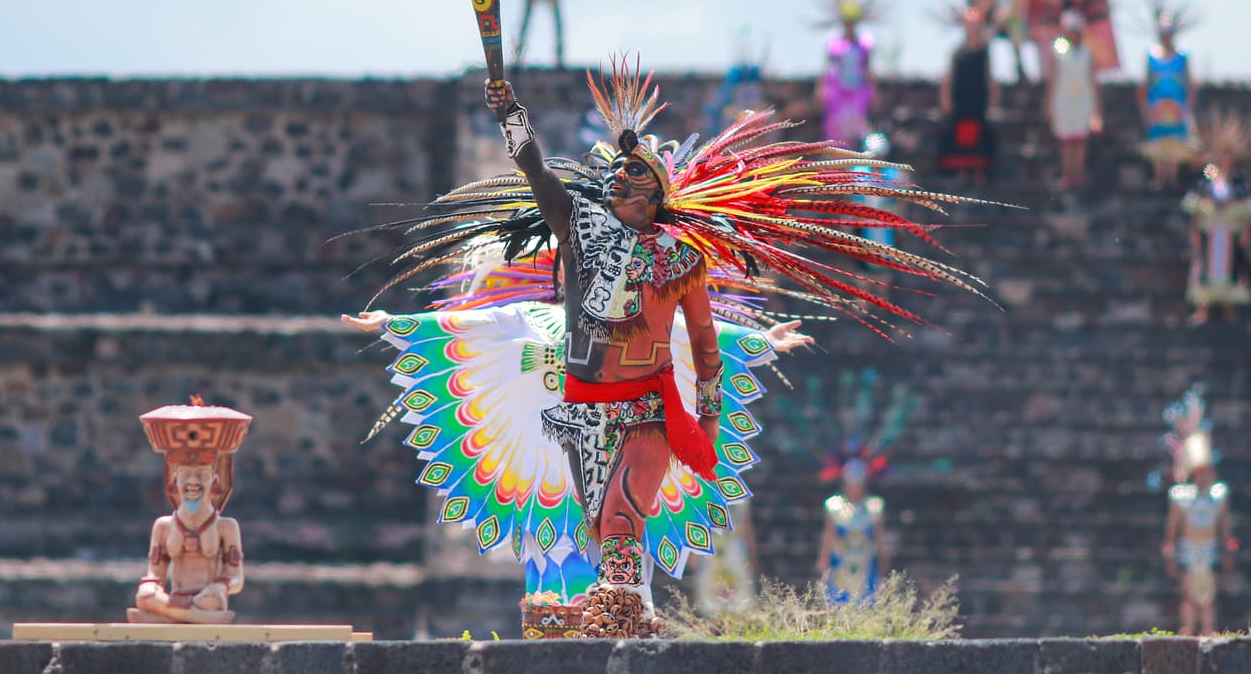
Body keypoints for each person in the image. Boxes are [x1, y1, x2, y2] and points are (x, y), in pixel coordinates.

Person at [363, 53, 989, 635]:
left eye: (632, 174)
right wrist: (511, 118)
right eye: (612, 173)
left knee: (620, 520)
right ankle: (598, 624)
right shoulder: (579, 234)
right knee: (590, 529)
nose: (616, 180)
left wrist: (716, 415)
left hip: (647, 407)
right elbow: (537, 174)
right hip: (581, 409)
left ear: (658, 193)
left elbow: (704, 345)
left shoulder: (680, 259)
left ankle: (617, 618)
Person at [342, 246, 812, 638]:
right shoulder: (527, 318)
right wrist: (391, 321)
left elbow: (694, 338)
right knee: (551, 588)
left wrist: (761, 339)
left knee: (619, 585)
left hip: (620, 463)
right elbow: (462, 327)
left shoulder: (639, 323)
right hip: (546, 468)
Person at [131, 398, 250, 624]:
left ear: (214, 481)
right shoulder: (164, 526)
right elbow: (154, 575)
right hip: (174, 598)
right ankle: (195, 617)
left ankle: (179, 615)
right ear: (174, 481)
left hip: (208, 598)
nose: (193, 483)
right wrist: (150, 585)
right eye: (185, 475)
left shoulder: (225, 526)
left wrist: (221, 586)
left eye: (202, 475)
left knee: (212, 600)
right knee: (144, 597)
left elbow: (236, 578)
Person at [1161, 389, 1235, 636]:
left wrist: (1227, 548)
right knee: (1188, 592)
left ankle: (1208, 628)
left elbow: (1224, 526)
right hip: (1190, 546)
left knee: (1209, 593)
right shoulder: (1181, 497)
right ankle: (1189, 627)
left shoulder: (1218, 496)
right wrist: (1170, 548)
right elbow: (1174, 526)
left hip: (1209, 545)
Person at [1181, 108, 1251, 325]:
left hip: (1230, 231)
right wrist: (1194, 229)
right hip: (1210, 231)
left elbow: (1245, 207)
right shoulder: (1209, 174)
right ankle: (1203, 308)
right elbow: (1198, 200)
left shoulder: (1238, 181)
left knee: (1230, 269)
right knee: (1205, 268)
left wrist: (1245, 231)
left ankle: (1229, 307)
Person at [814, 0, 886, 149]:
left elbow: (868, 68)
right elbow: (827, 67)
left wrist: (874, 92)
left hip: (858, 92)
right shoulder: (834, 43)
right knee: (835, 129)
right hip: (837, 92)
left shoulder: (865, 43)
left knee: (857, 128)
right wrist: (820, 89)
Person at [1139, 0, 1198, 190]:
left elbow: (1189, 82)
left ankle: (1172, 178)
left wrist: (1188, 104)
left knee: (1175, 142)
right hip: (1156, 104)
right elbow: (1146, 83)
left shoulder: (1182, 56)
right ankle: (1159, 177)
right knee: (1157, 141)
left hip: (1177, 104)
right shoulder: (1151, 56)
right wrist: (1145, 107)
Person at [938, 5, 998, 182]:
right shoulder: (957, 52)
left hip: (978, 100)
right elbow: (948, 78)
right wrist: (945, 99)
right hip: (960, 100)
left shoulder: (984, 51)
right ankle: (961, 171)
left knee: (979, 135)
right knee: (960, 135)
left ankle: (978, 172)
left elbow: (989, 77)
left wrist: (993, 98)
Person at [1045, 10, 1103, 190]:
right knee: (1066, 140)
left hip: (1083, 101)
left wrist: (1097, 110)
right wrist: (1049, 104)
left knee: (1079, 139)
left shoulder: (1087, 52)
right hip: (1063, 101)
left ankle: (1078, 174)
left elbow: (1093, 80)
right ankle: (1068, 173)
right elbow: (1053, 79)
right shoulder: (1058, 51)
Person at [818, 460, 889, 603]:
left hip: (866, 562)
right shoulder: (834, 506)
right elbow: (829, 534)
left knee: (867, 599)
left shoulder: (874, 507)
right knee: (838, 598)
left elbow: (879, 536)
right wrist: (823, 559)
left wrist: (883, 559)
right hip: (840, 562)